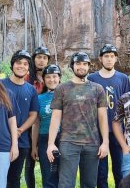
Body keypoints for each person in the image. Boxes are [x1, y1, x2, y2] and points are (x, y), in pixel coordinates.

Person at [46, 52, 109, 188]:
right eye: (78, 63)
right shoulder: (61, 89)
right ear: (72, 66)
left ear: (89, 66)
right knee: (66, 184)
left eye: (85, 64)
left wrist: (105, 142)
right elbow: (55, 117)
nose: (82, 67)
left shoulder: (97, 89)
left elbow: (103, 117)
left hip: (92, 144)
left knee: (89, 184)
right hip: (68, 143)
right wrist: (51, 144)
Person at [88, 44, 130, 188]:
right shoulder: (91, 78)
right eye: (106, 56)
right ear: (101, 58)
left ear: (116, 59)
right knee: (100, 172)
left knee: (120, 169)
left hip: (118, 130)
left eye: (112, 56)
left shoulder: (123, 78)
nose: (109, 59)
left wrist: (127, 130)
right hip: (97, 131)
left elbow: (129, 105)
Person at [3, 50, 39, 188]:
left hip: (22, 141)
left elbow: (33, 115)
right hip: (0, 139)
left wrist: (20, 130)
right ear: (12, 65)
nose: (22, 66)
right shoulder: (0, 85)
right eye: (19, 63)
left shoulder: (31, 90)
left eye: (25, 64)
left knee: (14, 178)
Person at [31, 64, 62, 188]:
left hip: (65, 138)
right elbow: (36, 123)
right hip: (44, 138)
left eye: (54, 76)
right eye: (48, 77)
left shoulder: (67, 95)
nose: (51, 80)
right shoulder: (39, 98)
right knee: (48, 176)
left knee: (64, 176)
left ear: (59, 78)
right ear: (43, 79)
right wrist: (34, 146)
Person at [27, 46, 51, 188]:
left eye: (44, 58)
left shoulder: (51, 77)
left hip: (45, 125)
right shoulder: (27, 78)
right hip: (28, 123)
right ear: (33, 59)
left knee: (47, 162)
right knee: (29, 162)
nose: (41, 61)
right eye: (39, 57)